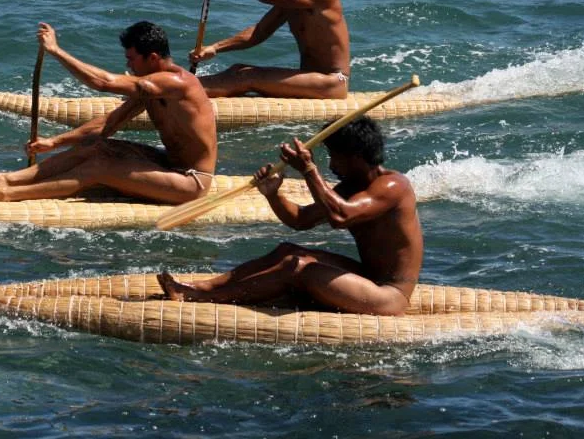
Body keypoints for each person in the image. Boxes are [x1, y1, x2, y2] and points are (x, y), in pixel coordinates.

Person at [158, 116, 423, 316]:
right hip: (367, 276)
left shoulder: (393, 186)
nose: (331, 165)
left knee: (297, 268)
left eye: (334, 157)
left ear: (355, 157)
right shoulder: (351, 187)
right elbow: (301, 220)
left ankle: (202, 299)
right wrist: (273, 194)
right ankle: (201, 287)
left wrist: (309, 169)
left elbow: (341, 215)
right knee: (287, 251)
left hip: (389, 295)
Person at [0, 21, 218, 204]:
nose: (127, 64)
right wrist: (54, 142)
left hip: (192, 182)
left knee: (100, 166)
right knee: (96, 147)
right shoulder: (153, 89)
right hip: (167, 164)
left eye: (132, 59)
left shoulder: (177, 83)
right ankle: (6, 180)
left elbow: (103, 83)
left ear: (152, 58)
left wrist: (56, 51)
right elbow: (108, 124)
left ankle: (6, 195)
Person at [189, 0, 351, 100]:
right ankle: (187, 86)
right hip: (311, 78)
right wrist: (215, 48)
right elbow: (258, 32)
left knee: (246, 75)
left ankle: (183, 90)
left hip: (333, 82)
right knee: (238, 69)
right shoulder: (292, 3)